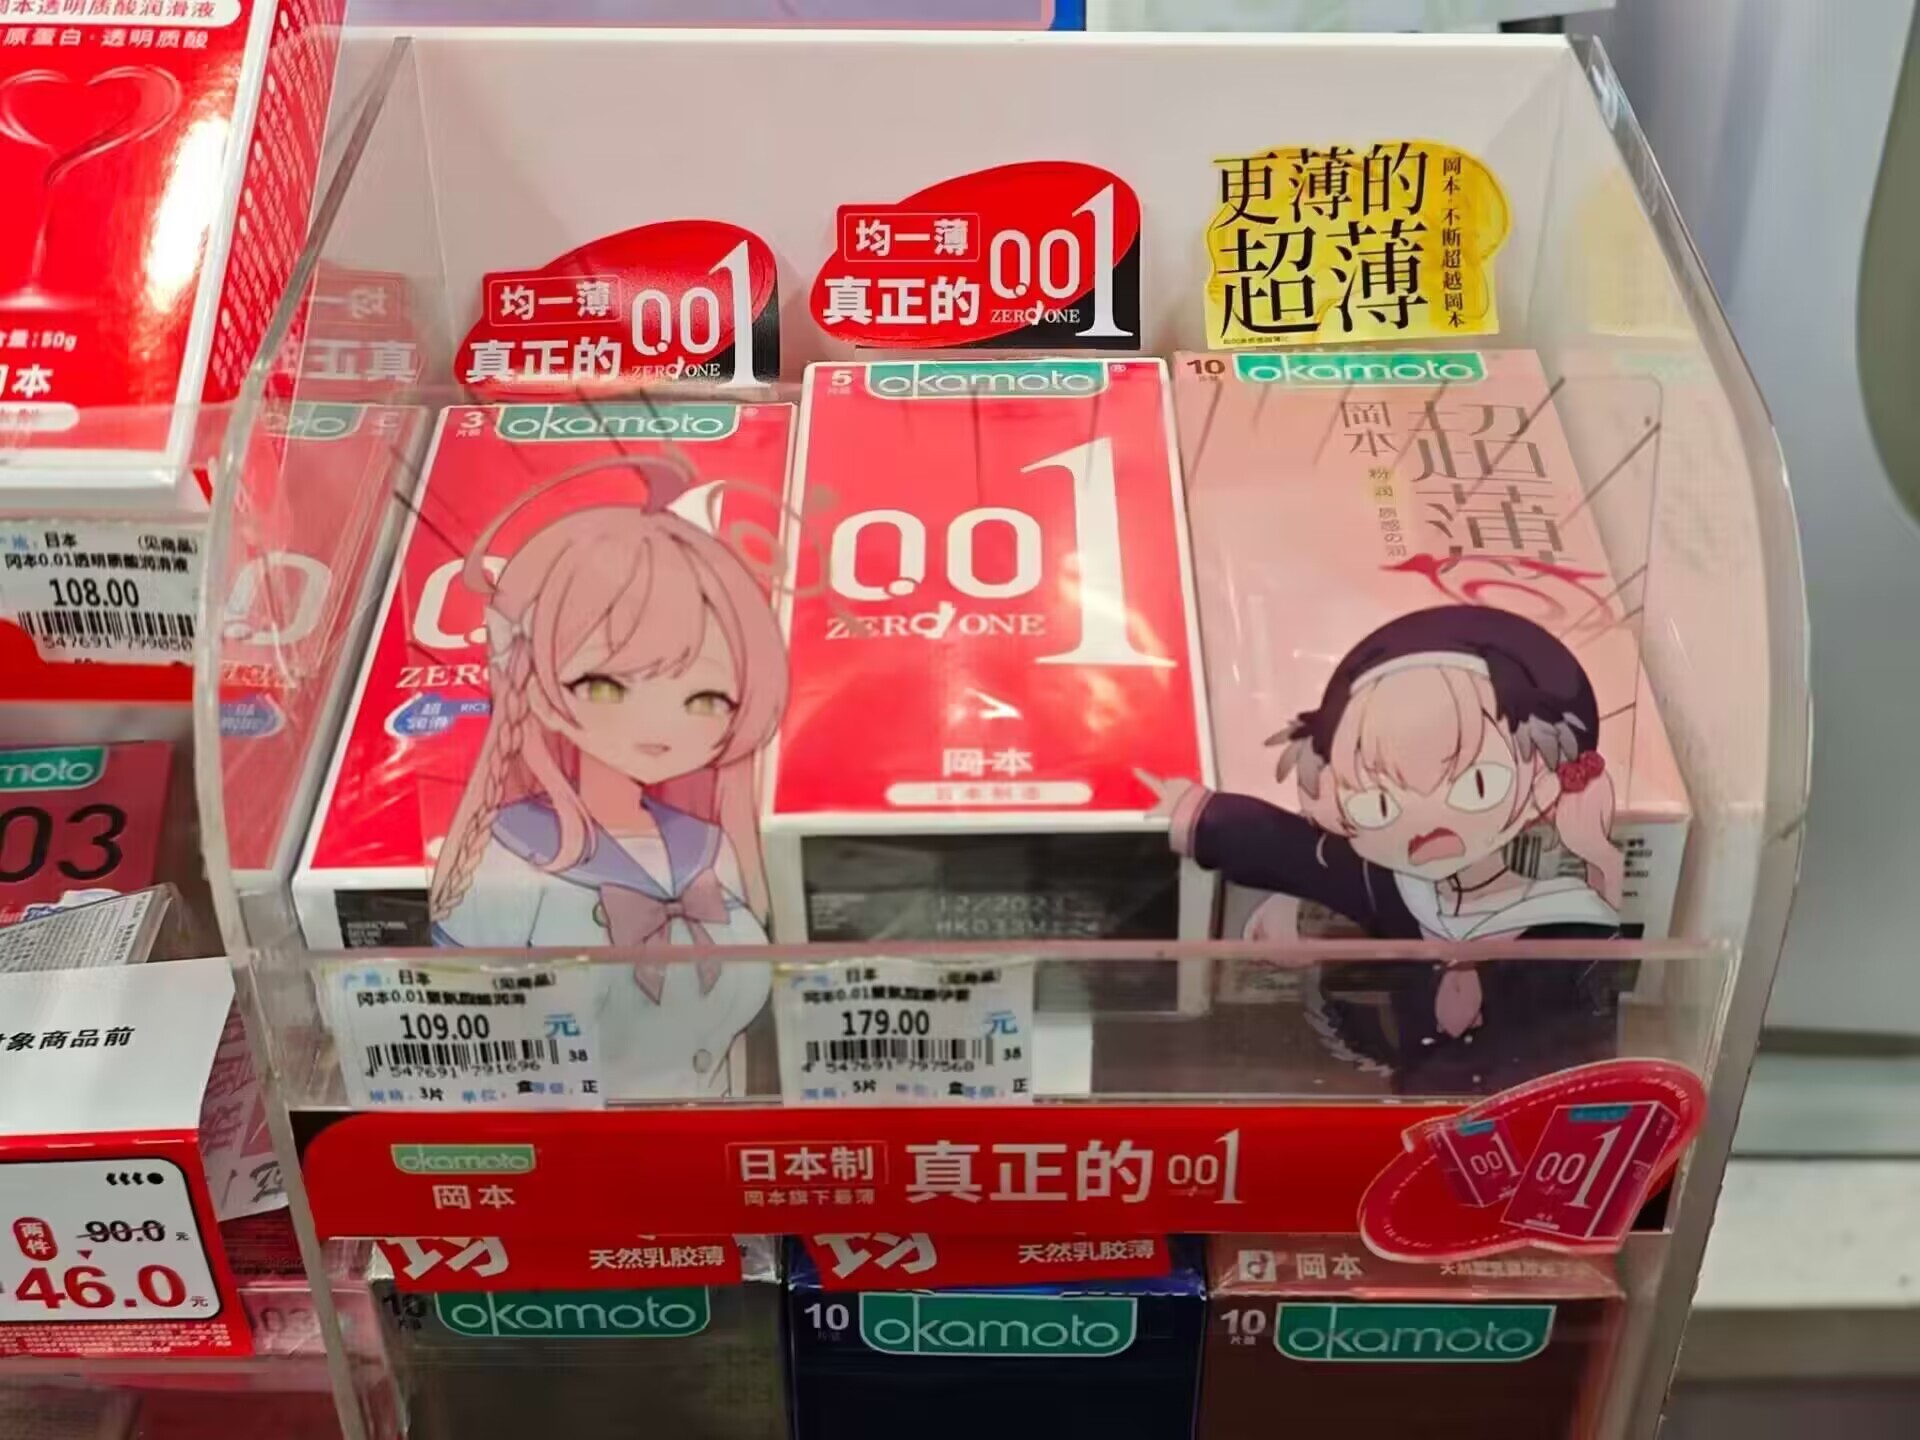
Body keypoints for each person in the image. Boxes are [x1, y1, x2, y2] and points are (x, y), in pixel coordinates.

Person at [1140, 605, 1631, 1094]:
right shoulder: (1397, 889)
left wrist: (1601, 864)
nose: (1427, 821)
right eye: (1379, 803)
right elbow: (1289, 850)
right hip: (1414, 1104)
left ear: (1543, 784)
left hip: (1519, 1115)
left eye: (1478, 784)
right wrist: (1192, 811)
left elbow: (1588, 1036)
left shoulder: (1565, 921)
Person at [429, 455, 786, 1098]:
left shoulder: (711, 849)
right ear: (535, 688)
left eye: (707, 698)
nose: (659, 722)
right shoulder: (511, 853)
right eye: (604, 685)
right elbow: (469, 1032)